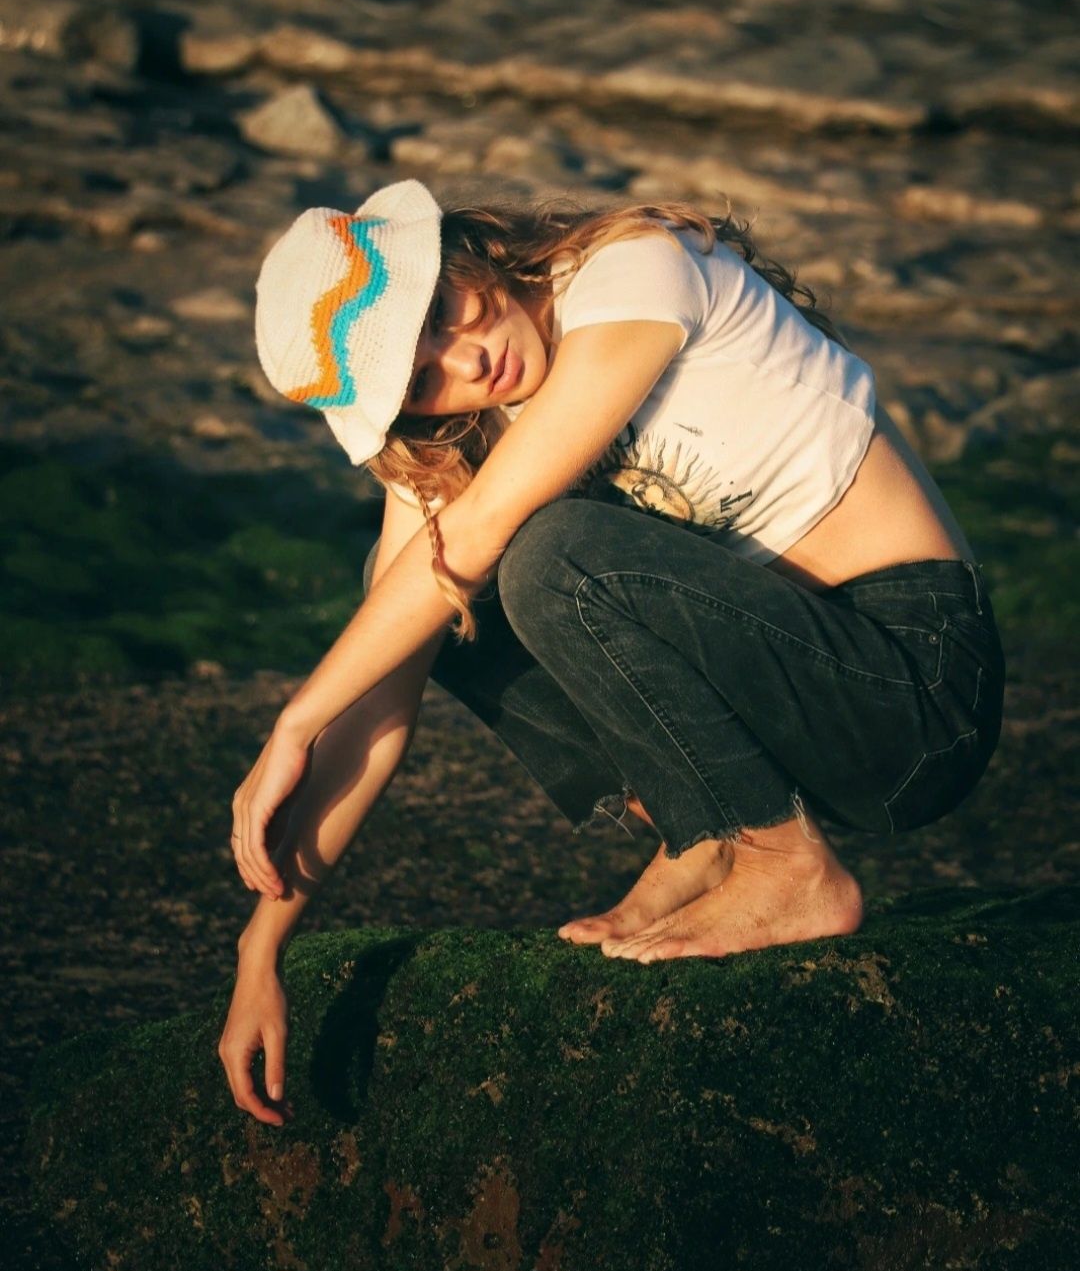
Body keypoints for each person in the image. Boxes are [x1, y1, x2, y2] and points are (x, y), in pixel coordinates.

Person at [219, 177, 1005, 1125]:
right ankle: (704, 831)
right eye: (422, 377)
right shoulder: (462, 440)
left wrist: (291, 715)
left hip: (913, 687)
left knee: (538, 556)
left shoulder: (633, 272)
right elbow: (379, 701)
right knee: (422, 609)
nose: (467, 357)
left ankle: (782, 863)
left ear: (461, 252)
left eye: (440, 309)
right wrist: (260, 953)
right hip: (796, 704)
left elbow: (482, 536)